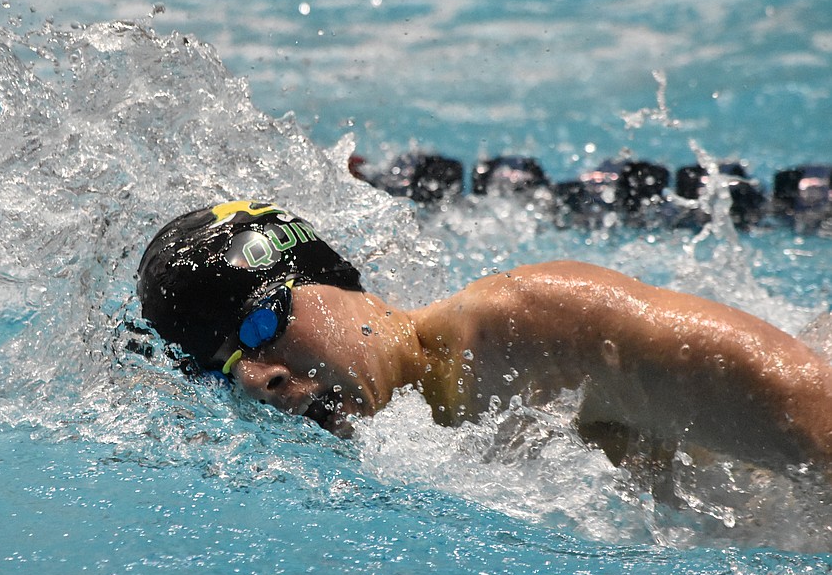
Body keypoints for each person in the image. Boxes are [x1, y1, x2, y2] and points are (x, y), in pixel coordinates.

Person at [137, 200, 832, 473]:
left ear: (333, 278)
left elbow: (815, 408)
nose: (262, 380)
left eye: (261, 326)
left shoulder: (536, 328)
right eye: (223, 367)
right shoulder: (409, 458)